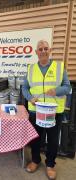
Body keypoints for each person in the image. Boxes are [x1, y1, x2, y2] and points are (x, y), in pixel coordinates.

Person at [22, 40, 71, 180]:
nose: (43, 51)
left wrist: (56, 91)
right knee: (36, 138)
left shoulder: (59, 67)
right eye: (40, 49)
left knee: (53, 140)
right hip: (35, 111)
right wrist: (30, 97)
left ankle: (50, 165)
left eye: (45, 48)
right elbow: (24, 88)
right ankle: (35, 160)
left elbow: (68, 87)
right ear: (36, 52)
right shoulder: (31, 69)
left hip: (53, 112)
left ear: (50, 51)